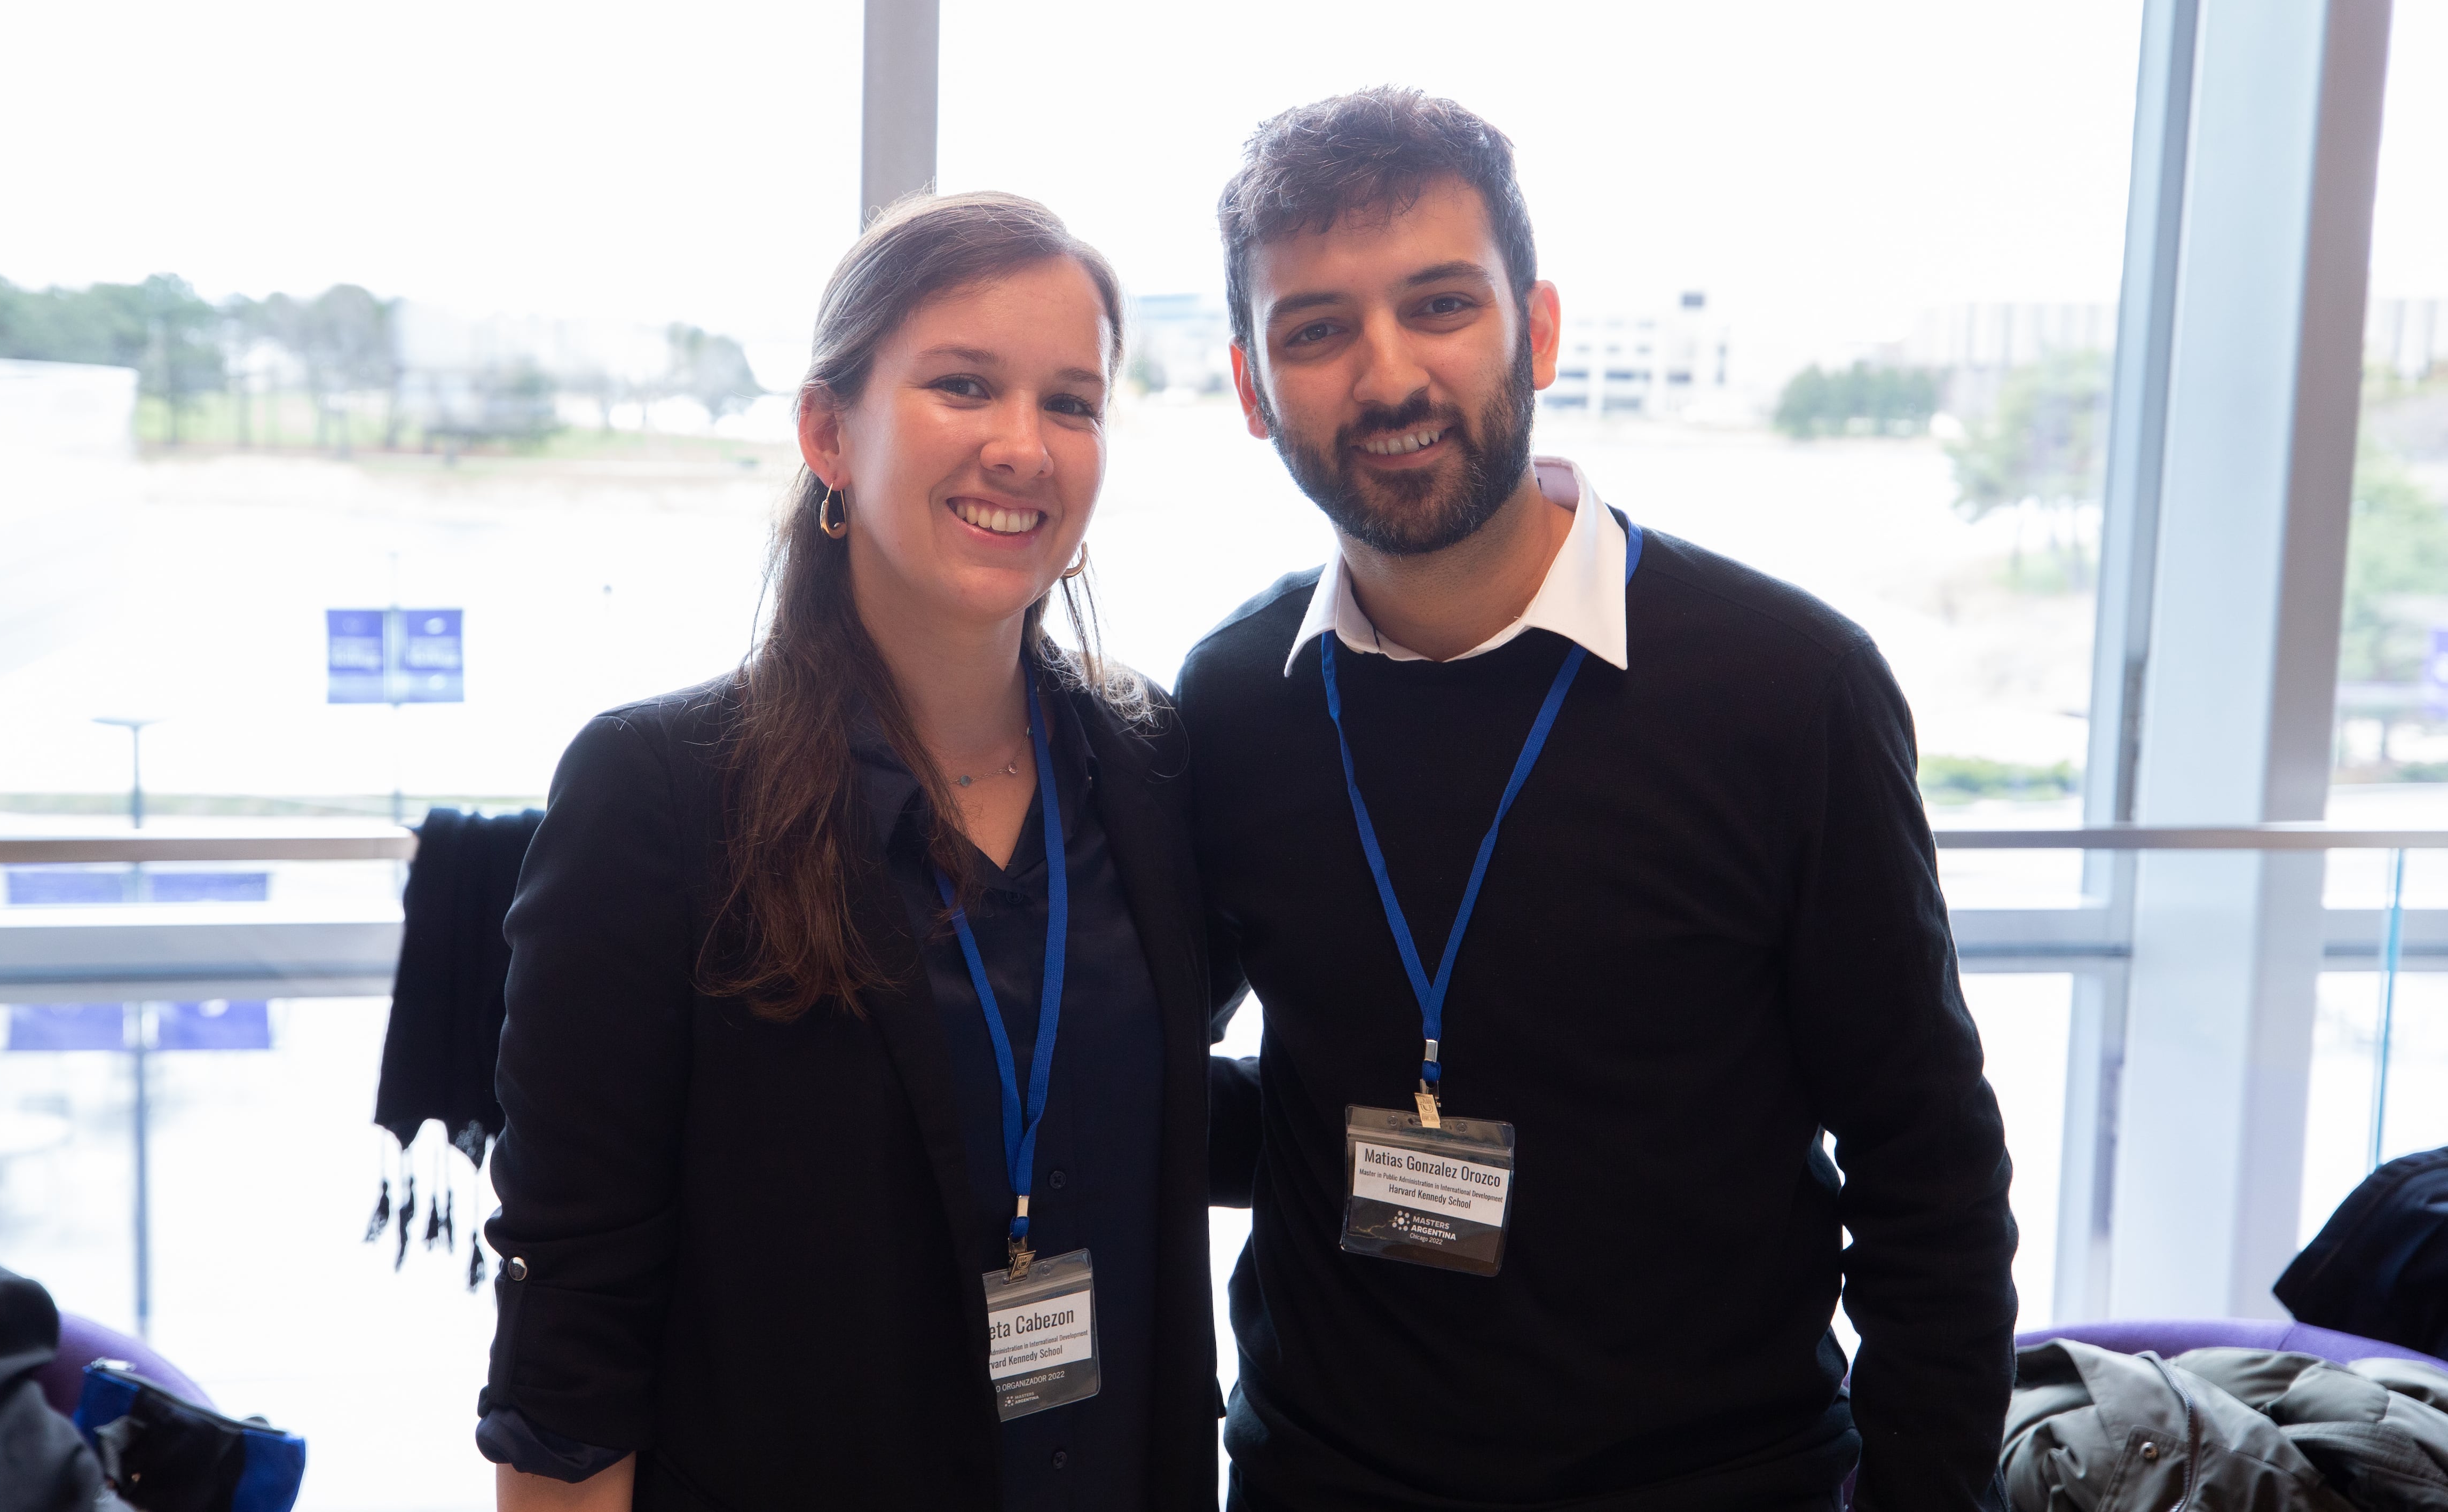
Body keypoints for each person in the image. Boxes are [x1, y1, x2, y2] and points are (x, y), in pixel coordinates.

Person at [1181, 89, 2018, 1512]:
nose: (1388, 377)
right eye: (1316, 328)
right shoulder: (1235, 699)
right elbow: (1169, 1075)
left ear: (1541, 331)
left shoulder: (1784, 687)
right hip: (1323, 1478)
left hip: (1714, 1482)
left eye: (1440, 303)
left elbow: (1926, 1167)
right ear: (1256, 385)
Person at [478, 192, 1219, 1511]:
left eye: (1071, 402)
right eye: (963, 385)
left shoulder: (1144, 767)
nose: (1022, 447)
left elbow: (1161, 1111)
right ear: (829, 430)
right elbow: (571, 1333)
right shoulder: (662, 795)